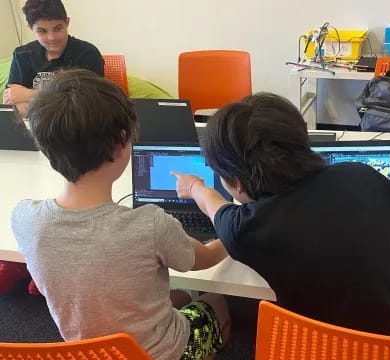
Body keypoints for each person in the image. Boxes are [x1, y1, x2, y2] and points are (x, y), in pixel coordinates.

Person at [172, 92, 390, 339]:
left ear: (237, 182)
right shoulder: (360, 176)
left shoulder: (243, 228)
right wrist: (372, 271)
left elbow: (215, 207)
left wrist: (195, 186)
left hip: (321, 347)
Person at [11, 69, 230, 360]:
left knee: (175, 297)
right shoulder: (149, 224)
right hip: (161, 354)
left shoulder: (24, 218)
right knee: (215, 301)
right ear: (121, 144)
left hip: (87, 352)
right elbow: (205, 259)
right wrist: (231, 226)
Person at [3, 0, 104, 116]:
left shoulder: (87, 54)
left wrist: (28, 94)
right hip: (31, 128)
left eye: (57, 28)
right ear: (31, 28)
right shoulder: (22, 55)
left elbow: (90, 104)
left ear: (67, 22)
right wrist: (64, 100)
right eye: (42, 31)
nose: (51, 38)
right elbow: (13, 106)